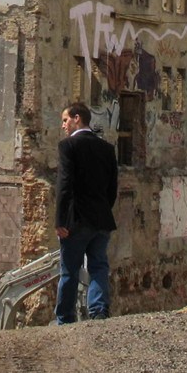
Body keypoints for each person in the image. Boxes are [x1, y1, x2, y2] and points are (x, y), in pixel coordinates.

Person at [54, 101, 118, 323]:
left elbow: (64, 184)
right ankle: (99, 311)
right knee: (99, 265)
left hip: (76, 220)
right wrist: (102, 210)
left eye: (65, 120)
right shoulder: (107, 148)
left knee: (69, 270)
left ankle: (65, 318)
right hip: (101, 220)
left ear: (77, 118)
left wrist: (60, 220)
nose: (63, 125)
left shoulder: (68, 146)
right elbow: (112, 188)